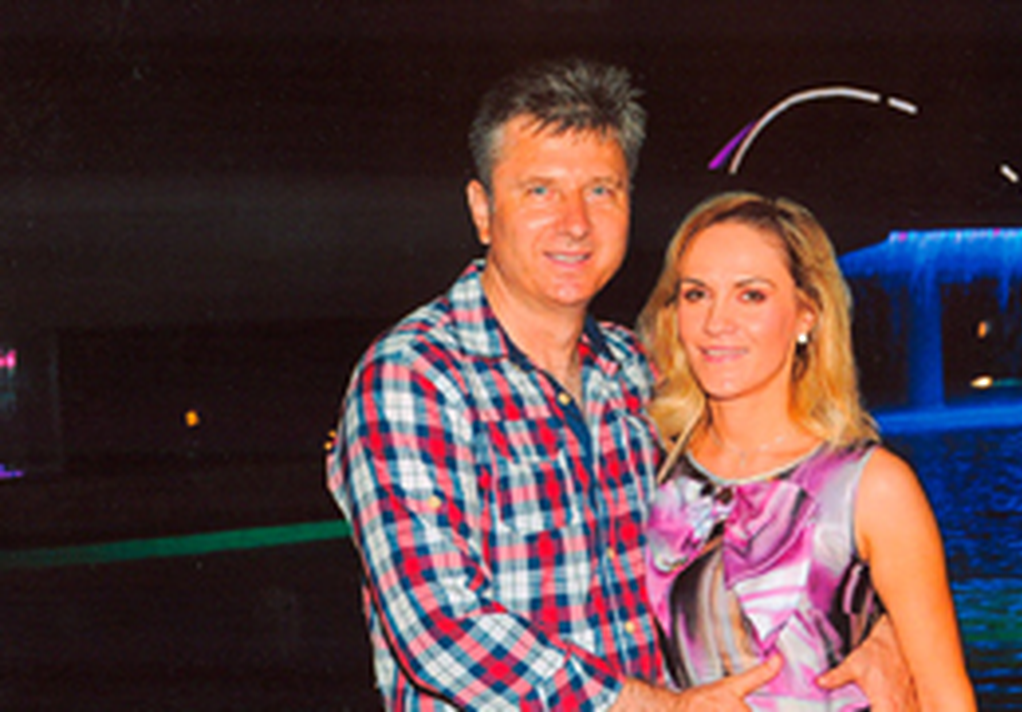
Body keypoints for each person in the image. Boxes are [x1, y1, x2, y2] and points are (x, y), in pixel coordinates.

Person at [327, 58, 916, 711]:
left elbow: (797, 513)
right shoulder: (416, 378)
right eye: (540, 191)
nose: (575, 222)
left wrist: (885, 626)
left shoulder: (640, 373)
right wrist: (658, 707)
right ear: (483, 210)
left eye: (601, 190)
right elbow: (439, 630)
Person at [637, 192, 976, 711]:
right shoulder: (647, 463)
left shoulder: (872, 487)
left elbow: (945, 695)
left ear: (805, 315)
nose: (716, 322)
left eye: (751, 296)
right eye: (697, 294)